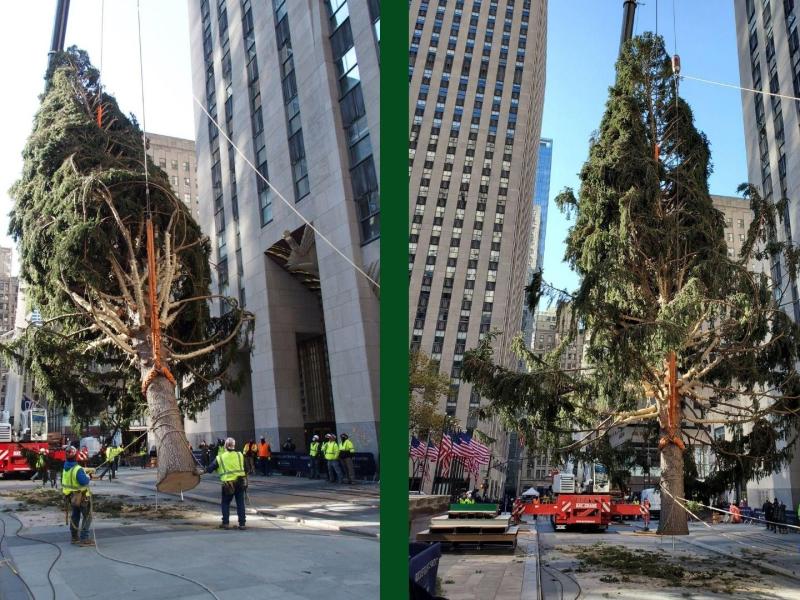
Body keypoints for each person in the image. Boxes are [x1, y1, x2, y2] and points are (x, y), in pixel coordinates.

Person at [206, 437, 247, 530]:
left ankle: (225, 523)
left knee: (225, 503)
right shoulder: (240, 455)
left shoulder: (220, 457)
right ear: (234, 445)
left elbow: (209, 469)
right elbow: (246, 468)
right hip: (240, 482)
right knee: (240, 503)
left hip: (228, 484)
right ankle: (242, 524)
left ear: (225, 446)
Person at [62, 446, 94, 546]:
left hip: (71, 497)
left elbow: (73, 474)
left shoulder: (66, 467)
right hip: (82, 497)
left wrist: (83, 471)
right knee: (87, 517)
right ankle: (84, 539)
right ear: (76, 456)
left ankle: (74, 537)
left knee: (75, 516)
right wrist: (88, 476)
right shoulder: (77, 469)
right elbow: (84, 481)